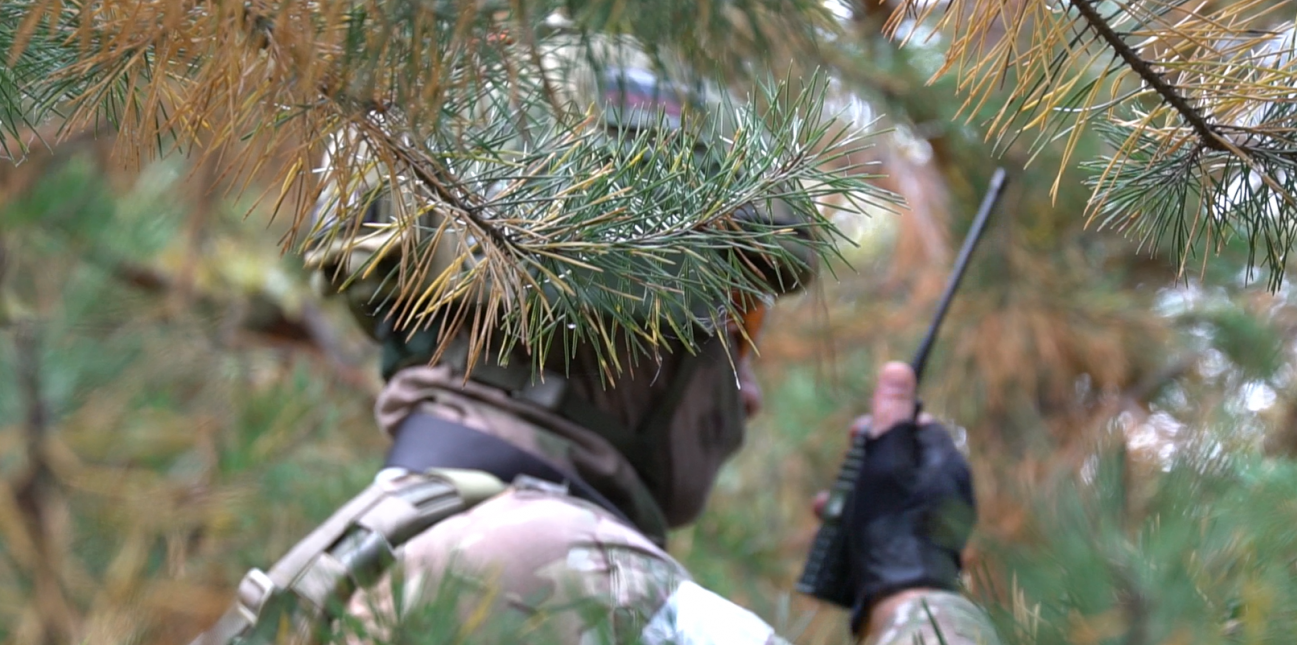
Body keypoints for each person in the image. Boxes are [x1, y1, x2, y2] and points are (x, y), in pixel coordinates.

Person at [192, 37, 1002, 645]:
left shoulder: (344, 571)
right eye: (739, 325)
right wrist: (912, 582)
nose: (747, 394)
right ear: (628, 320)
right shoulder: (582, 578)